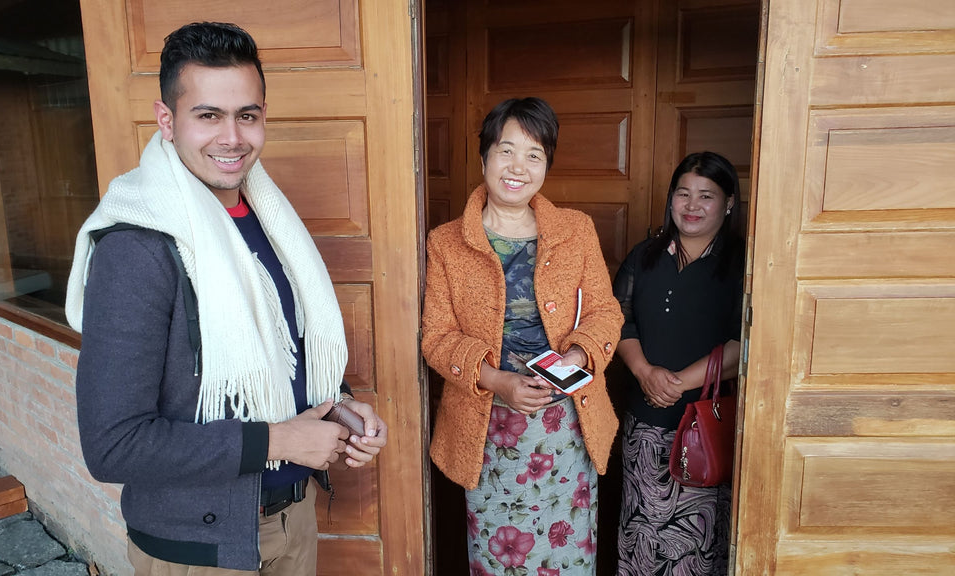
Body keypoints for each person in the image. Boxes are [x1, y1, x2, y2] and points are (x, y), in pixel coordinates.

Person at [65, 22, 386, 575]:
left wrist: (337, 401)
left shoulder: (270, 222)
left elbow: (281, 352)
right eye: (208, 115)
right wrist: (279, 439)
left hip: (294, 520)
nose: (232, 137)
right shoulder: (136, 248)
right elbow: (112, 446)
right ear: (168, 121)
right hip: (199, 549)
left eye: (247, 115)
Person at [422, 97, 623, 576]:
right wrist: (497, 381)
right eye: (506, 150)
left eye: (534, 155)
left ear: (547, 164)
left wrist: (575, 355)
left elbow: (605, 311)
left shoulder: (576, 230)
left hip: (566, 428)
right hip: (489, 429)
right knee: (499, 555)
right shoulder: (446, 241)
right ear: (484, 157)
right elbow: (436, 336)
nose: (518, 167)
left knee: (567, 553)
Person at [613, 151, 743, 575]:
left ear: (728, 203)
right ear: (670, 199)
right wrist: (645, 372)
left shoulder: (744, 264)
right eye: (683, 193)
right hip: (645, 428)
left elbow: (747, 341)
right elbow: (618, 319)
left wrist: (677, 383)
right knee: (643, 538)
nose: (692, 205)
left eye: (706, 196)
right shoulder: (645, 256)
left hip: (707, 426)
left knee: (697, 549)